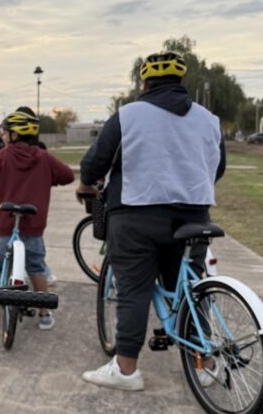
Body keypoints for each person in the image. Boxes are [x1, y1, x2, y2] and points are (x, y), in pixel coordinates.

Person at [76, 51, 226, 390]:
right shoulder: (208, 119)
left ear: (144, 83)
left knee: (133, 290)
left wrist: (87, 184)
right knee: (188, 289)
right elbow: (216, 168)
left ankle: (126, 370)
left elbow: (95, 163)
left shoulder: (128, 115)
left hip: (136, 215)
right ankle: (206, 363)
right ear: (181, 82)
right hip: (193, 215)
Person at [0, 109, 74, 330]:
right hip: (33, 225)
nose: (4, 137)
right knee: (36, 267)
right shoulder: (44, 157)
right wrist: (48, 179)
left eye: (6, 133)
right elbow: (68, 175)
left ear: (15, 135)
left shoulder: (3, 156)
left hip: (3, 224)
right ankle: (45, 313)